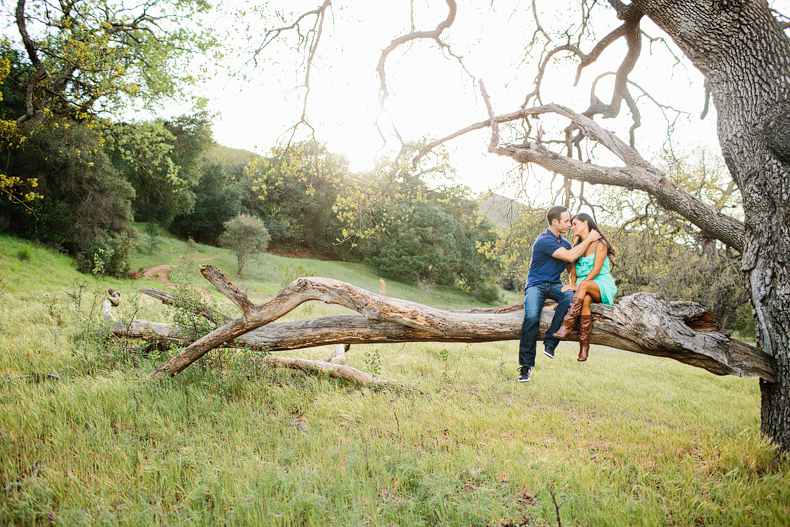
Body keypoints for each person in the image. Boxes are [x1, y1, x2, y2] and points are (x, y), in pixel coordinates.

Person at [517, 205, 600, 383]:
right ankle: (525, 367)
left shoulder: (566, 243)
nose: (569, 224)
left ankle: (550, 342)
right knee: (531, 318)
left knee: (570, 297)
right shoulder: (544, 240)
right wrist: (589, 238)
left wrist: (573, 284)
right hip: (536, 285)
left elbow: (572, 268)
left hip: (555, 285)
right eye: (566, 221)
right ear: (555, 222)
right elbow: (570, 257)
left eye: (570, 221)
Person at [553, 212, 617, 361]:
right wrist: (572, 285)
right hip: (584, 288)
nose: (572, 227)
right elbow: (573, 273)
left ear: (585, 223)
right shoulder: (577, 247)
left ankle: (566, 325)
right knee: (585, 301)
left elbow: (596, 269)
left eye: (575, 224)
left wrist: (579, 286)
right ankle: (584, 347)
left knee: (584, 286)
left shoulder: (600, 244)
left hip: (601, 284)